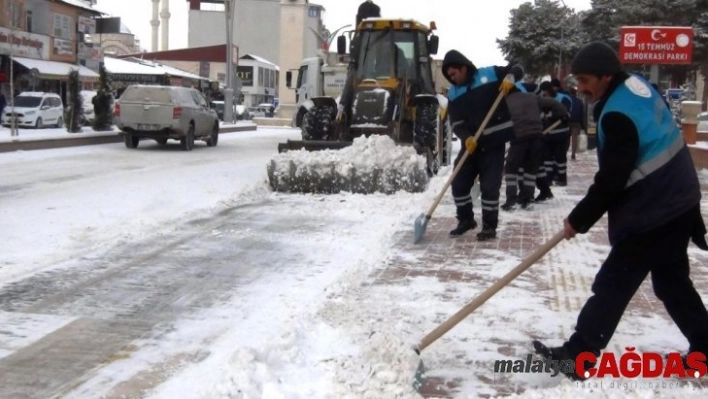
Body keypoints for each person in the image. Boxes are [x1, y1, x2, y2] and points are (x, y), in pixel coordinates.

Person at [533, 42, 708, 380]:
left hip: (656, 210)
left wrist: (577, 220)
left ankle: (578, 355)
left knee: (614, 283)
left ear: (605, 76)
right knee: (672, 283)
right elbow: (667, 144)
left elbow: (611, 181)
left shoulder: (617, 115)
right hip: (676, 200)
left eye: (585, 81)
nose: (580, 89)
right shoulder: (637, 88)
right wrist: (692, 209)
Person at [442, 50, 519, 241]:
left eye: (454, 74)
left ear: (463, 67)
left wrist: (511, 77)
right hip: (471, 146)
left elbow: (517, 66)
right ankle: (466, 219)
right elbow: (456, 121)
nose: (452, 79)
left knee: (489, 187)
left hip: (493, 144)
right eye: (449, 76)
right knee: (458, 182)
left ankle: (489, 227)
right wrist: (466, 137)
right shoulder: (453, 93)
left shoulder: (489, 74)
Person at [502, 76, 568, 211]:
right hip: (537, 137)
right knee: (530, 169)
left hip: (519, 137)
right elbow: (553, 103)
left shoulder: (506, 102)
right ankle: (527, 198)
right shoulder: (532, 97)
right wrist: (562, 114)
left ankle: (511, 199)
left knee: (510, 168)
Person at [540, 81, 572, 186]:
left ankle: (562, 178)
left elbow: (567, 114)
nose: (544, 94)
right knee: (547, 158)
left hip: (561, 134)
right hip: (547, 134)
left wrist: (551, 115)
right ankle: (548, 178)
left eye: (545, 91)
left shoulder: (563, 98)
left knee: (560, 157)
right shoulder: (541, 99)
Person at [567, 86, 586, 161]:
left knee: (566, 138)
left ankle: (564, 152)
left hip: (567, 121)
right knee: (574, 139)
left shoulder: (567, 100)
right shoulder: (579, 101)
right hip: (576, 122)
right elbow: (582, 114)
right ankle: (573, 154)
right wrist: (582, 125)